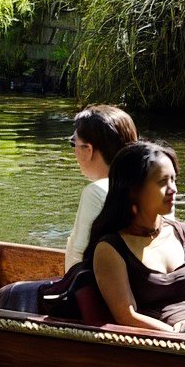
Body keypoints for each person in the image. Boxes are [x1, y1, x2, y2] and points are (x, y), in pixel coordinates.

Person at [77, 140, 185, 336]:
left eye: (174, 179)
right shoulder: (110, 248)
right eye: (162, 182)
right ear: (133, 190)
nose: (174, 189)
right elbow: (127, 316)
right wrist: (177, 336)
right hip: (159, 345)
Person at [63, 104, 140, 261]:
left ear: (88, 149)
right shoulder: (154, 186)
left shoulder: (96, 192)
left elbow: (78, 258)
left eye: (73, 143)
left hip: (95, 283)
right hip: (140, 281)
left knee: (10, 288)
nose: (73, 150)